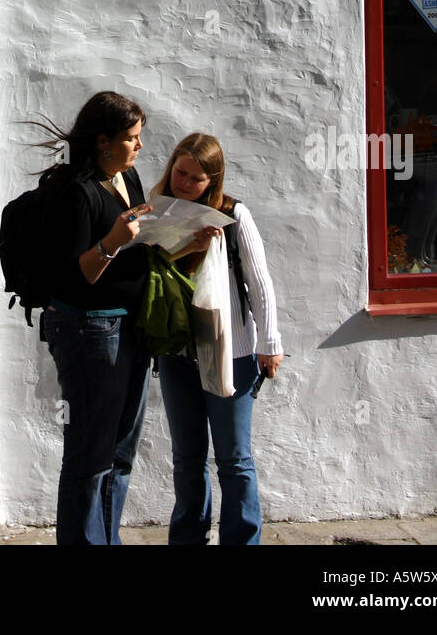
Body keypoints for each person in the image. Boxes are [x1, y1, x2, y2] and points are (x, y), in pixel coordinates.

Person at [151, 133, 283, 546]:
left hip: (231, 348)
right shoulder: (157, 208)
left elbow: (259, 282)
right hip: (176, 349)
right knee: (187, 457)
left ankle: (241, 540)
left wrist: (270, 343)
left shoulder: (232, 213)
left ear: (214, 181)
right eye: (181, 172)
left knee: (233, 458)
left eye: (197, 178)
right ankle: (188, 538)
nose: (186, 183)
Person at [33, 91, 153, 545]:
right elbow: (75, 277)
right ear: (103, 141)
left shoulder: (129, 177)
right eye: (132, 138)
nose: (139, 147)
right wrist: (113, 241)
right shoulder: (77, 192)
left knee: (120, 451)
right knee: (89, 452)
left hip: (130, 326)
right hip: (90, 330)